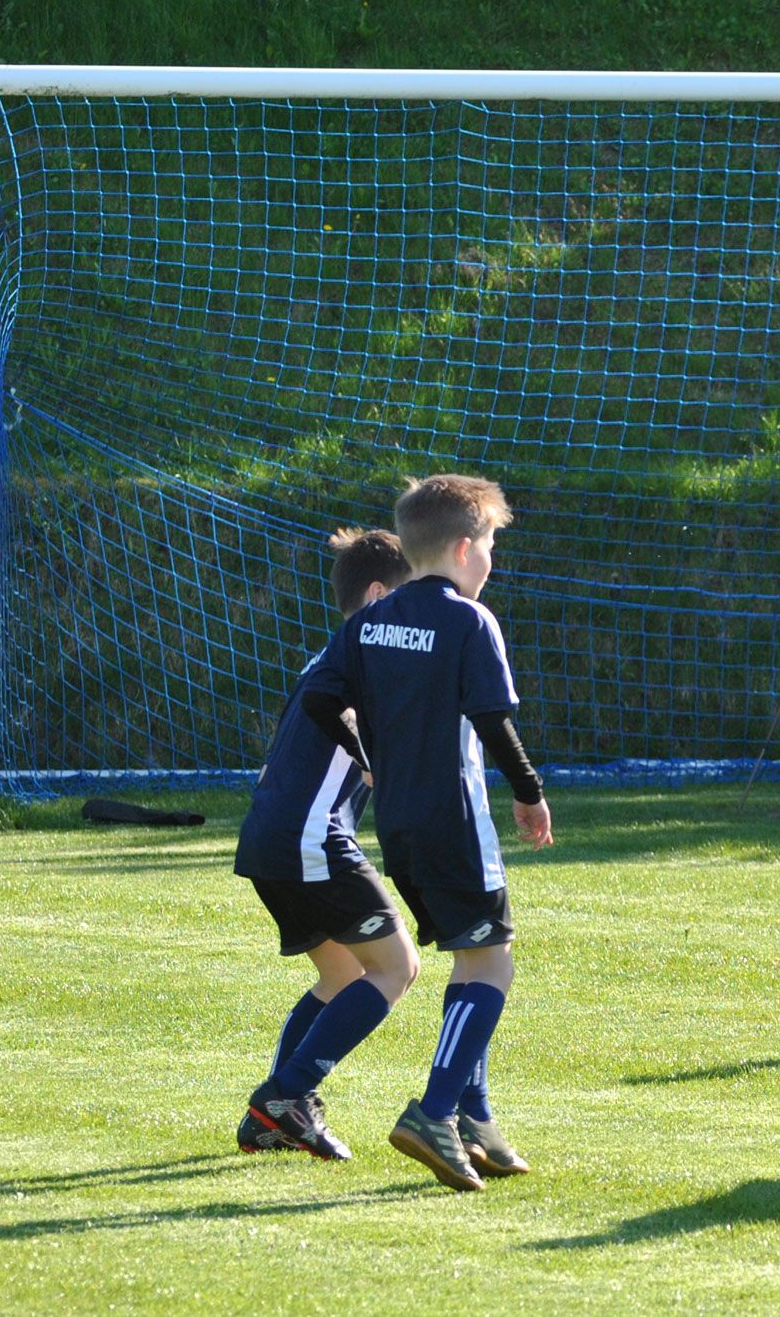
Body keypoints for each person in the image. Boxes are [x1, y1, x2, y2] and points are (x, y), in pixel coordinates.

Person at [303, 474, 554, 1192]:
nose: (493, 561)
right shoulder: (471, 621)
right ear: (463, 546)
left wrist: (370, 757)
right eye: (493, 545)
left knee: (467, 957)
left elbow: (319, 697)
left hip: (398, 827)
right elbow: (494, 721)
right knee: (492, 962)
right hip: (456, 818)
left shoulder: (369, 620)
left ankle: (476, 1117)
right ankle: (435, 1110)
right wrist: (530, 794)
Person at [237, 528, 420, 1160]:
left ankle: (271, 1118)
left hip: (269, 837)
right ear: (376, 596)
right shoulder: (367, 651)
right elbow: (333, 715)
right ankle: (287, 1093)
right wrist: (372, 756)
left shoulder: (328, 654)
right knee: (397, 967)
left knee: (343, 974)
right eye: (408, 594)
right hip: (309, 838)